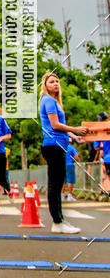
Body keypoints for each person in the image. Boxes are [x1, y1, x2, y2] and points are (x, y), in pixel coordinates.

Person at [39, 72, 88, 233]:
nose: (55, 84)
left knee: (58, 184)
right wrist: (76, 129)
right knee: (55, 185)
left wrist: (74, 136)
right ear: (45, 85)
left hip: (59, 145)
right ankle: (57, 222)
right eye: (51, 82)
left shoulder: (54, 102)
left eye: (57, 81)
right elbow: (55, 125)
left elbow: (60, 126)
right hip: (53, 146)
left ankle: (60, 219)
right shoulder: (48, 100)